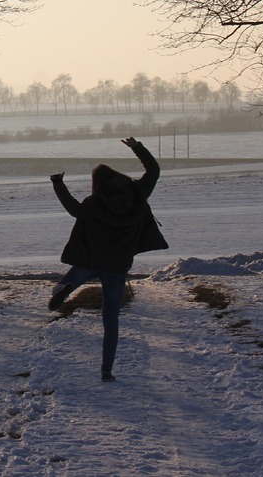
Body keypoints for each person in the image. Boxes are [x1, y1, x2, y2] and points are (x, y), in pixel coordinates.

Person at [47, 137, 167, 381]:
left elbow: (74, 210)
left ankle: (67, 286)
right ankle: (106, 370)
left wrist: (58, 184)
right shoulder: (137, 194)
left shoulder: (94, 203)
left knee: (77, 273)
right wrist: (137, 148)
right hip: (117, 266)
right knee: (110, 318)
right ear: (117, 175)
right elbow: (154, 170)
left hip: (91, 260)